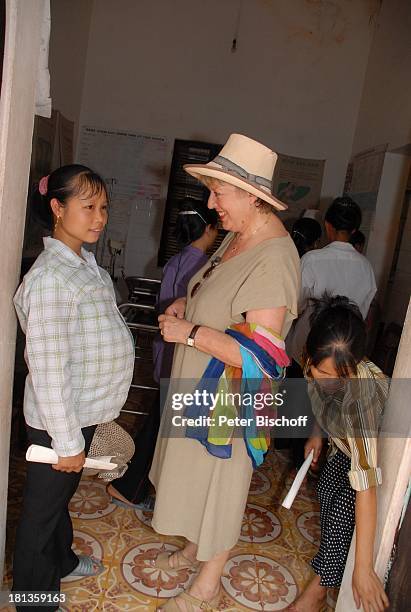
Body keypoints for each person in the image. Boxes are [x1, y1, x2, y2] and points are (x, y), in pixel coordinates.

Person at [148, 133, 300, 611]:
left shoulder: (275, 259)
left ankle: (207, 584)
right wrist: (185, 303)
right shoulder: (240, 234)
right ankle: (197, 546)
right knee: (198, 475)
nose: (211, 203)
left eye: (219, 192)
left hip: (231, 399)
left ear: (253, 197)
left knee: (223, 484)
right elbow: (218, 297)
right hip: (201, 386)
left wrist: (189, 333)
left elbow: (262, 356)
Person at [12, 165, 135, 611]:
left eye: (103, 207)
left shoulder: (85, 263)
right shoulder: (50, 279)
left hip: (81, 415)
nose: (99, 217)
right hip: (56, 422)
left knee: (60, 498)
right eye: (88, 207)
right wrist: (65, 441)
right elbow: (47, 369)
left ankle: (61, 561)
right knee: (40, 517)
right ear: (58, 209)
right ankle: (33, 599)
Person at [107, 198, 218, 511]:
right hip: (182, 354)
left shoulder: (176, 260)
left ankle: (138, 486)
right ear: (209, 229)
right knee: (161, 426)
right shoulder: (204, 267)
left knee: (162, 422)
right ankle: (130, 487)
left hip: (166, 349)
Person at [286, 295, 389, 612]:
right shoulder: (310, 361)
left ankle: (317, 591)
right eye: (322, 373)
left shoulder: (361, 401)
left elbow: (366, 487)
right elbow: (321, 397)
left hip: (374, 448)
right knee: (328, 488)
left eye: (339, 377)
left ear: (356, 364)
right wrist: (317, 435)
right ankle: (328, 575)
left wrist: (363, 569)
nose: (329, 383)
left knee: (345, 507)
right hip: (344, 444)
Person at [286, 196, 377, 367]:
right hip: (345, 349)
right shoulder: (366, 267)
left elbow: (295, 305)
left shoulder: (312, 259)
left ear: (327, 225)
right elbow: (361, 312)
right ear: (354, 230)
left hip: (308, 345)